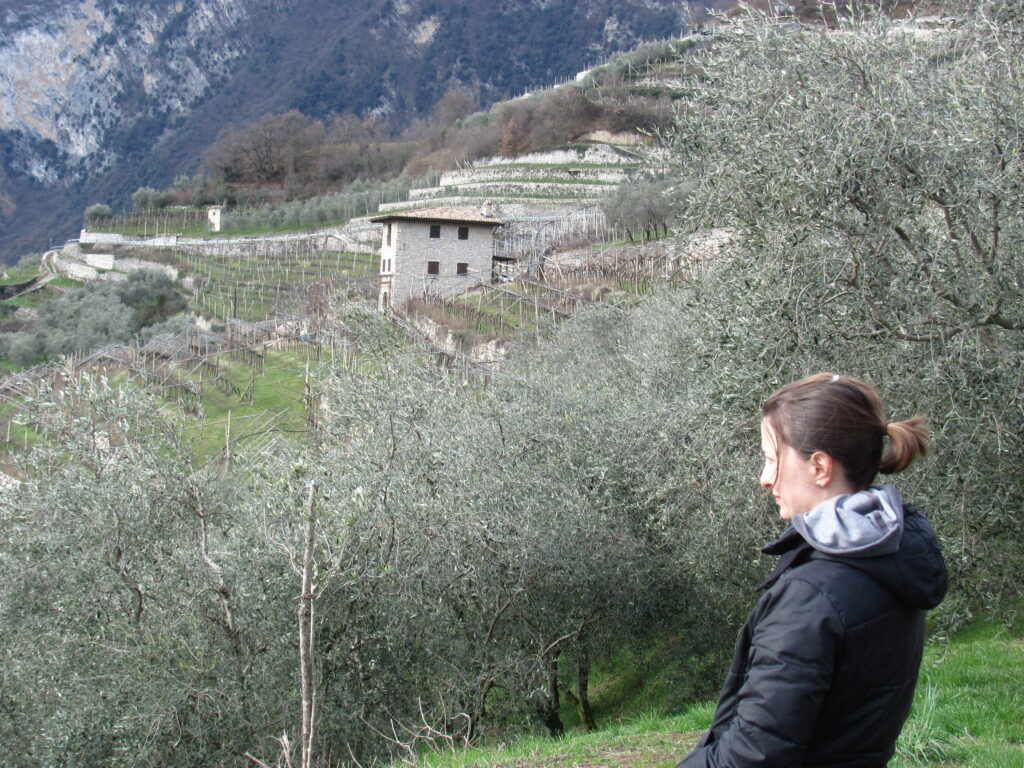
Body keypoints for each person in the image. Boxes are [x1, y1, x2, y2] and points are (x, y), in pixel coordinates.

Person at [677, 373, 947, 768]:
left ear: (819, 466)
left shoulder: (811, 597)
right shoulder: (890, 558)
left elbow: (751, 758)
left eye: (772, 459)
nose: (764, 479)